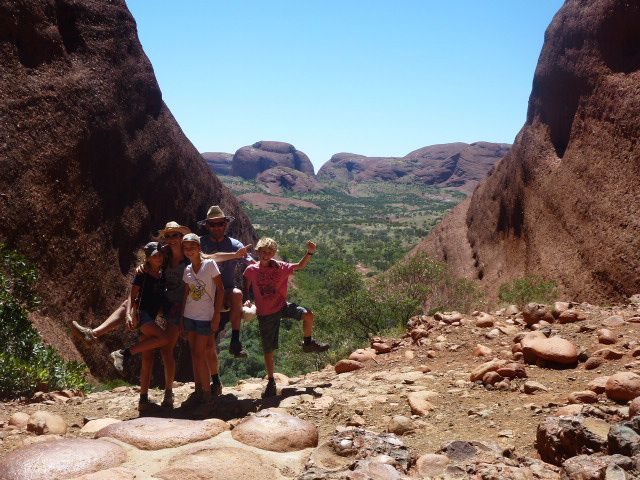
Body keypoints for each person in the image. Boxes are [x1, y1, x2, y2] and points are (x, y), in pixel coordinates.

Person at [243, 237, 330, 398]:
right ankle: (271, 381)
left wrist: (310, 252)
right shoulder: (252, 270)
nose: (266, 255)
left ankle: (308, 342)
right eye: (263, 252)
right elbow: (246, 285)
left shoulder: (281, 267)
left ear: (274, 253)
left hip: (281, 306)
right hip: (265, 313)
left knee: (308, 314)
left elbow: (301, 265)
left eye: (270, 252)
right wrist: (247, 298)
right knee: (268, 349)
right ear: (259, 252)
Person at [109, 242, 171, 412]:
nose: (158, 257)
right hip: (142, 315)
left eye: (160, 254)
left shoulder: (162, 272)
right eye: (154, 255)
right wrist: (128, 314)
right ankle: (123, 353)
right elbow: (132, 295)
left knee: (148, 358)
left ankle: (143, 399)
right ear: (148, 258)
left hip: (151, 316)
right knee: (164, 339)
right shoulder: (142, 274)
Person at [199, 205, 254, 359]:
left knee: (237, 294)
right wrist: (234, 255)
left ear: (225, 224)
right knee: (208, 340)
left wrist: (268, 265)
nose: (216, 227)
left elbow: (251, 264)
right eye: (212, 224)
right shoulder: (199, 243)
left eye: (220, 223)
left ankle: (235, 342)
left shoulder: (236, 244)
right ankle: (211, 378)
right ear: (207, 226)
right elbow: (208, 257)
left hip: (227, 292)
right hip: (206, 293)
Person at [181, 233, 224, 405]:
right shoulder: (187, 269)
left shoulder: (210, 265)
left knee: (200, 354)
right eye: (186, 248)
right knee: (195, 353)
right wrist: (182, 317)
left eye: (192, 247)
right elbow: (186, 293)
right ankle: (200, 389)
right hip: (190, 316)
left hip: (205, 317)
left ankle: (207, 396)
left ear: (199, 248)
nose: (189, 250)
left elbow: (220, 289)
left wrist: (217, 314)